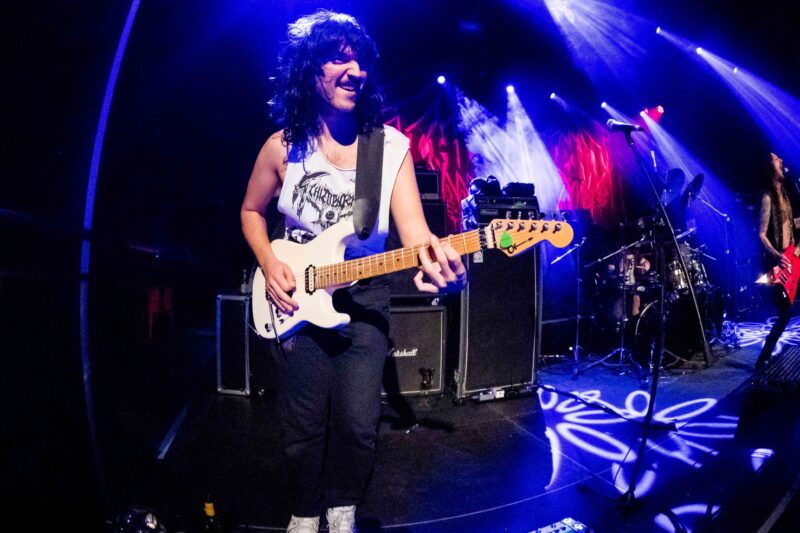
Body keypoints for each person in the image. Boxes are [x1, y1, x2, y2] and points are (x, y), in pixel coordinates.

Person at [240, 10, 466, 533]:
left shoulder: (388, 147)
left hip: (364, 298)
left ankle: (342, 508)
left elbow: (417, 236)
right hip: (295, 296)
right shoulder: (283, 146)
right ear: (309, 68)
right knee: (301, 422)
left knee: (359, 423)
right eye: (338, 58)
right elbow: (251, 211)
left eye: (360, 58)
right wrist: (270, 261)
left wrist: (444, 268)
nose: (355, 69)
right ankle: (303, 510)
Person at [756, 152, 799, 369]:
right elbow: (761, 234)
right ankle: (763, 357)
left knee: (787, 312)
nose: (781, 160)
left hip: (792, 258)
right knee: (785, 314)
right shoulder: (767, 197)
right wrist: (776, 255)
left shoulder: (787, 194)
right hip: (778, 263)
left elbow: (791, 224)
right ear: (769, 168)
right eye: (775, 159)